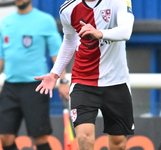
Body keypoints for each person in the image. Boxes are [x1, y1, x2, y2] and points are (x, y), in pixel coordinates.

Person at [35, 0, 135, 150]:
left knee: (118, 143)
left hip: (117, 81)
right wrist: (54, 74)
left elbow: (126, 31)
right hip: (83, 82)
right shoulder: (68, 8)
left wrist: (99, 33)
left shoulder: (118, 1)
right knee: (83, 137)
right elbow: (69, 42)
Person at [0, 0, 70, 150]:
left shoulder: (45, 20)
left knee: (40, 138)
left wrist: (63, 80)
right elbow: (0, 54)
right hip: (10, 87)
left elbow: (57, 53)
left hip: (35, 88)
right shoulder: (6, 21)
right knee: (4, 136)